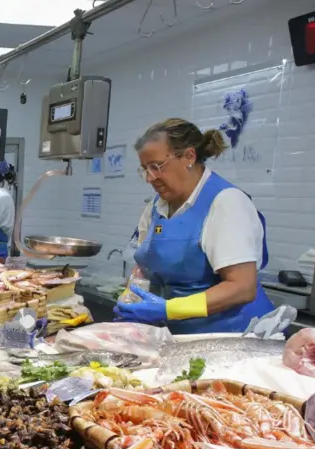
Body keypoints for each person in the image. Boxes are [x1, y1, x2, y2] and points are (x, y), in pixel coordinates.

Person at [113, 118, 273, 334]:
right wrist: (131, 299)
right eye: (145, 169)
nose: (150, 178)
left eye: (156, 167)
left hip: (231, 338)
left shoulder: (226, 202)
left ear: (189, 156)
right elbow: (144, 266)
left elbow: (242, 288)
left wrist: (169, 309)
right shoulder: (156, 207)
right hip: (180, 337)